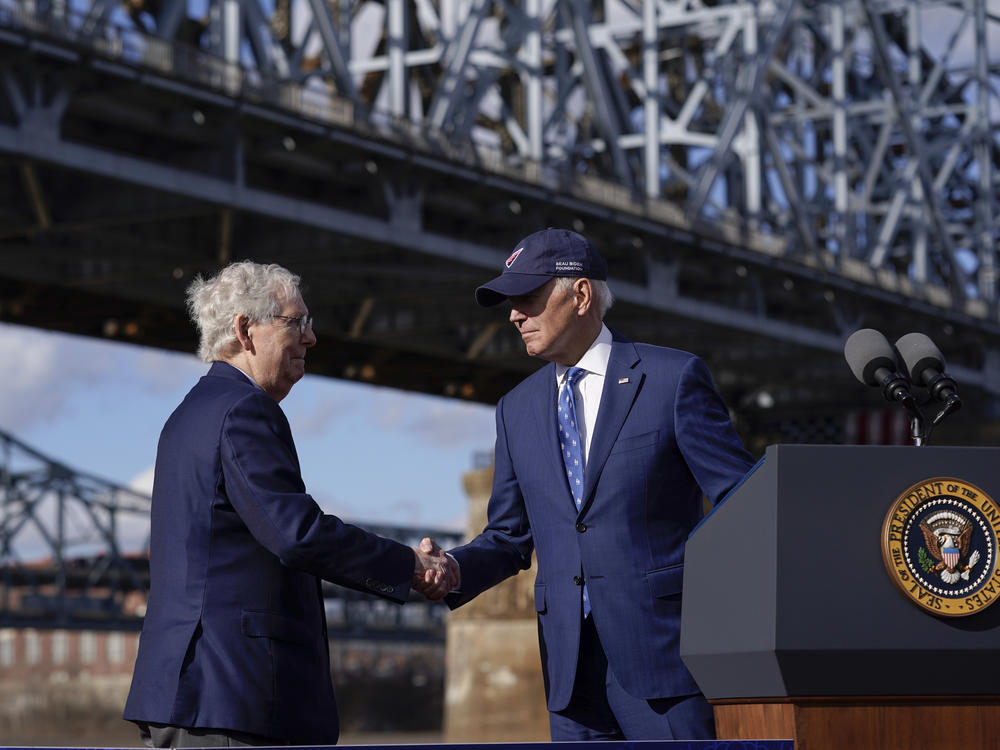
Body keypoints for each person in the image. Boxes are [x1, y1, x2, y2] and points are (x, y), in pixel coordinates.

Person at [123, 261, 455, 747]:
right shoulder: (245, 410)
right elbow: (296, 535)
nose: (311, 338)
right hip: (235, 698)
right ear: (244, 330)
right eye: (296, 322)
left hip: (191, 695)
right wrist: (408, 564)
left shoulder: (187, 415)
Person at [443, 228, 754, 741]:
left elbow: (742, 507)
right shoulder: (515, 410)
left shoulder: (672, 380)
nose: (514, 314)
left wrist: (726, 625)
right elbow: (508, 537)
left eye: (527, 298)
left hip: (665, 667)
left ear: (581, 294)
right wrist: (451, 569)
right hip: (569, 679)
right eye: (510, 303)